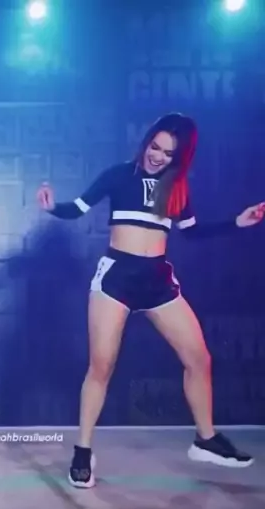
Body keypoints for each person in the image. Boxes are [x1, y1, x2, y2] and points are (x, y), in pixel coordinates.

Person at [37, 113, 264, 488]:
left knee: (199, 359)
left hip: (157, 279)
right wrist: (51, 206)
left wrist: (236, 223)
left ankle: (206, 439)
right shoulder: (119, 175)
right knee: (101, 366)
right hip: (117, 278)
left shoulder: (175, 189)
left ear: (179, 158)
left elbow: (192, 232)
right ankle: (83, 450)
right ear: (146, 142)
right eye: (154, 147)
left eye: (168, 153)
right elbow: (77, 208)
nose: (157, 156)